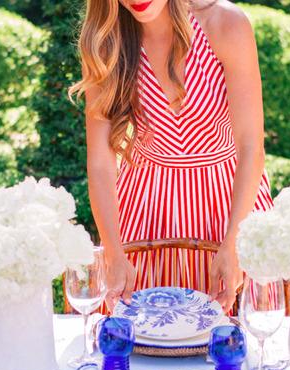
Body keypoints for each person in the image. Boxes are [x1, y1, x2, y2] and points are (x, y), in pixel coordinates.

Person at [71, 0, 274, 313]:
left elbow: (250, 146)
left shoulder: (226, 24)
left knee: (238, 341)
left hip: (229, 202)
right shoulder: (106, 42)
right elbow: (99, 163)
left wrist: (233, 241)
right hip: (145, 208)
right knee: (137, 336)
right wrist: (113, 250)